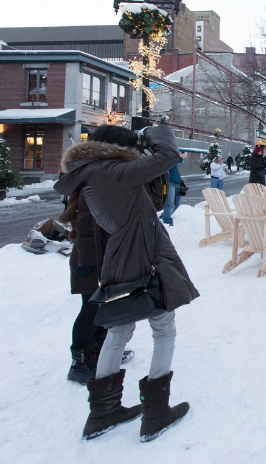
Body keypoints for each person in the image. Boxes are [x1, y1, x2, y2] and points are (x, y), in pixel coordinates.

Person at [54, 124, 199, 442]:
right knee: (164, 329)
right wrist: (153, 130)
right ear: (117, 150)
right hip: (143, 257)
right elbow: (170, 154)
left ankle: (103, 412)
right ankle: (157, 412)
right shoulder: (115, 171)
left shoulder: (91, 172)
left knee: (118, 332)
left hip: (119, 259)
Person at [59, 191, 134, 385]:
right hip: (90, 261)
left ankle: (98, 350)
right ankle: (80, 364)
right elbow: (86, 228)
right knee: (90, 307)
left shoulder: (101, 183)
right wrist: (91, 264)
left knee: (102, 305)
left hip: (103, 257)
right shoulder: (92, 187)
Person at [159, 153, 186, 226]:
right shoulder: (166, 157)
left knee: (177, 203)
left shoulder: (173, 158)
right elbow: (170, 163)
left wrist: (181, 181)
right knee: (170, 204)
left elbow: (176, 171)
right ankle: (167, 220)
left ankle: (164, 215)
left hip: (177, 182)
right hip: (169, 183)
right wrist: (180, 157)